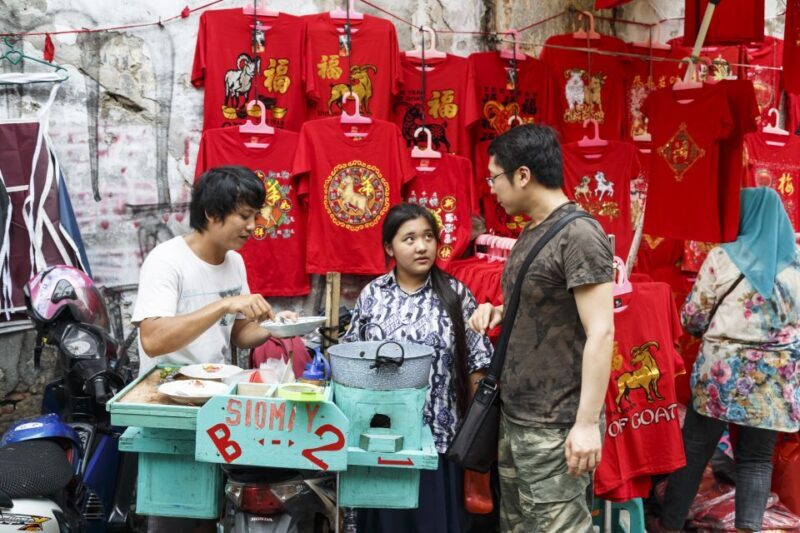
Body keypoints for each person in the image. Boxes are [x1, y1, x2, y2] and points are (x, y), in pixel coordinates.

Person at [468, 124, 614, 532]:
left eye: (495, 176)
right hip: (518, 417)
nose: (492, 188)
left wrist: (585, 425)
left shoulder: (580, 235)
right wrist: (499, 312)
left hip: (557, 424)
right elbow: (547, 306)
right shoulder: (533, 230)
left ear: (523, 175)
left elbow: (602, 332)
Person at [132, 165, 294, 533]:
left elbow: (238, 335)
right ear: (211, 213)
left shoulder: (234, 261)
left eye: (255, 216)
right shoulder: (167, 260)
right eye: (244, 216)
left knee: (213, 511)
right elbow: (153, 339)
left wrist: (274, 326)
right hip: (168, 400)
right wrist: (223, 305)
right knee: (176, 516)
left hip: (217, 401)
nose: (252, 226)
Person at [343, 202, 493, 533]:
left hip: (439, 440)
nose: (422, 246)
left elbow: (477, 366)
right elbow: (352, 359)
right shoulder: (373, 295)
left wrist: (476, 434)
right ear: (389, 247)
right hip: (380, 438)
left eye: (428, 236)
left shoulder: (455, 295)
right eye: (409, 239)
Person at [660, 188, 800, 533]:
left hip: (720, 375)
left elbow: (692, 318)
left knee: (694, 452)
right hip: (774, 377)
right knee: (755, 460)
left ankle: (670, 525)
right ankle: (748, 529)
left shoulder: (723, 257)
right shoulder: (796, 262)